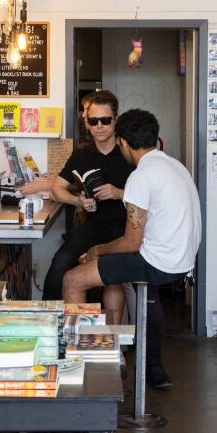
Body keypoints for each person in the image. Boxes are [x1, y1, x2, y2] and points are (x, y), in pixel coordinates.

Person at [62, 109, 201, 388]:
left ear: (123, 142)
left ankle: (76, 363)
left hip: (157, 262)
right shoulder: (175, 166)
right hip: (183, 260)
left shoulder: (141, 175)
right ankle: (137, 362)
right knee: (118, 277)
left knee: (73, 278)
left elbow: (130, 243)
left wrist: (95, 252)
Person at [42, 91, 133, 301]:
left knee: (116, 280)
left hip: (127, 227)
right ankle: (50, 322)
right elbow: (56, 188)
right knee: (60, 262)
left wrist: (119, 193)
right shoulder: (81, 155)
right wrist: (78, 201)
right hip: (94, 226)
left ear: (115, 121)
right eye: (93, 121)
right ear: (87, 125)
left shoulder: (129, 151)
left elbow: (151, 193)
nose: (99, 126)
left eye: (105, 120)